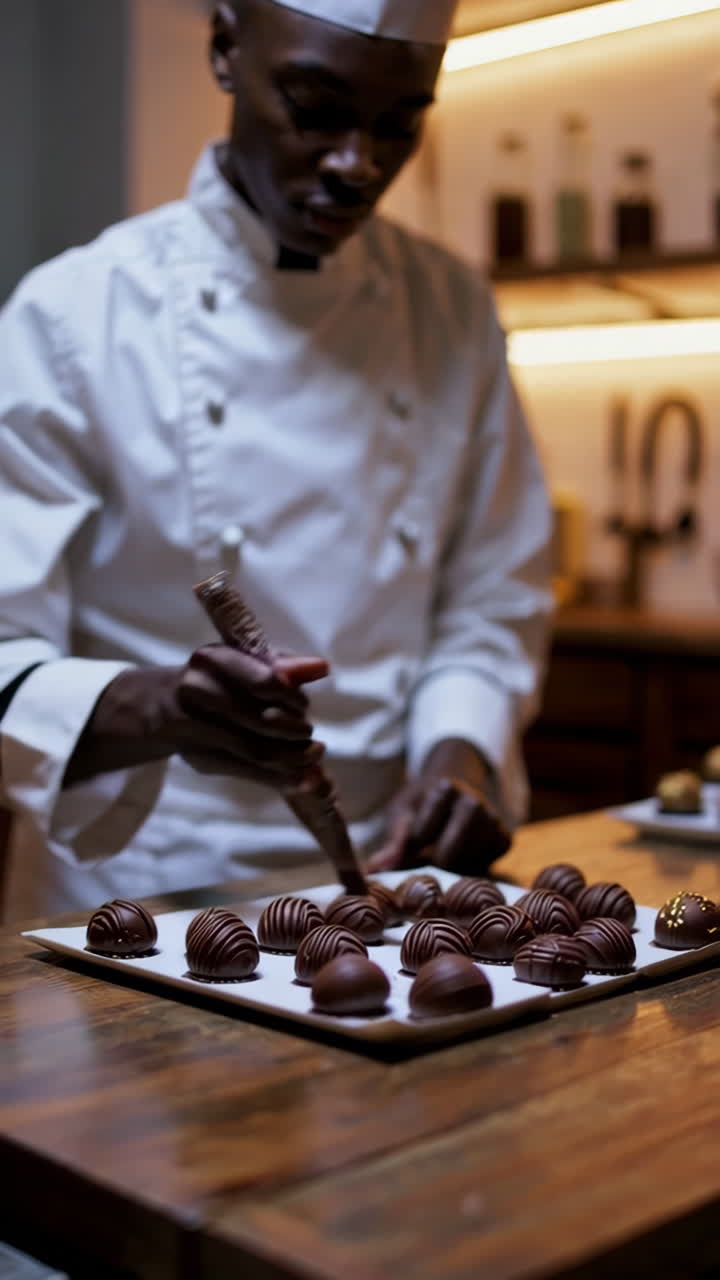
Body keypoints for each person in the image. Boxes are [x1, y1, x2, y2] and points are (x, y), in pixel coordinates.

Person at [0, 0, 553, 922]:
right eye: (314, 106)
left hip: (390, 877)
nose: (356, 165)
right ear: (225, 47)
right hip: (140, 888)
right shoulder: (70, 318)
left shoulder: (451, 309)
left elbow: (494, 596)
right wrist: (164, 706)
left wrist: (460, 752)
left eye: (397, 124)